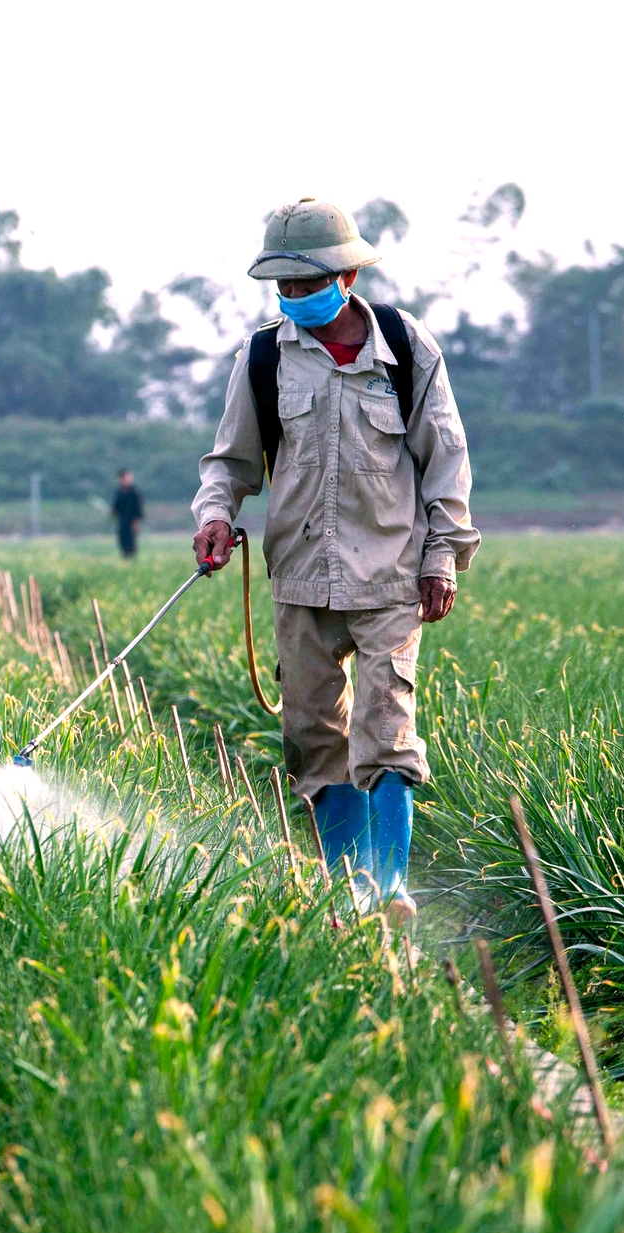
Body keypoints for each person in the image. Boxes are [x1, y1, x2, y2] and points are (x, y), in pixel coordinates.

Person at [190, 198, 478, 924]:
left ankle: (390, 890)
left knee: (385, 728)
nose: (294, 298)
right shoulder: (264, 357)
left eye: (307, 282)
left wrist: (442, 556)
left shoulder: (407, 352)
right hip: (301, 579)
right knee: (314, 741)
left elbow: (445, 462)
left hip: (390, 576)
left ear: (347, 275)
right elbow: (229, 462)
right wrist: (216, 517)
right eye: (283, 287)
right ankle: (348, 891)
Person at [111, 468, 144, 559]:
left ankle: (132, 559)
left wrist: (136, 523)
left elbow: (138, 510)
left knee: (131, 542)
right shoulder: (119, 492)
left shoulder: (134, 492)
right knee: (123, 541)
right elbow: (116, 507)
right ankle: (125, 559)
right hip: (122, 521)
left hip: (132, 521)